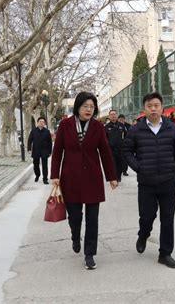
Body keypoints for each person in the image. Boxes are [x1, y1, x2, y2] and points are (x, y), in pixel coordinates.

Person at [51, 92, 118, 270]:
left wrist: (111, 176)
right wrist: (54, 175)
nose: (89, 110)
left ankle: (90, 254)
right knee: (75, 217)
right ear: (78, 107)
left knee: (92, 218)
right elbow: (57, 151)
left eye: (92, 107)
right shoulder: (65, 125)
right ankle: (75, 235)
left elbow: (105, 152)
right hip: (70, 177)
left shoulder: (97, 126)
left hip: (92, 177)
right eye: (85, 106)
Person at [123, 92, 175, 269]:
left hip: (168, 181)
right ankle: (143, 234)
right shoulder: (136, 130)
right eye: (149, 105)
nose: (153, 108)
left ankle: (165, 253)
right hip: (146, 183)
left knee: (168, 219)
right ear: (144, 108)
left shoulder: (172, 128)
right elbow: (127, 151)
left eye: (156, 105)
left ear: (162, 108)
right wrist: (139, 166)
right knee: (147, 216)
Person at [28, 117, 52, 184]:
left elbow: (49, 142)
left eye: (43, 122)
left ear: (44, 123)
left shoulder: (47, 131)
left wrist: (50, 151)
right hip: (36, 150)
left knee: (45, 165)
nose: (42, 123)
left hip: (45, 150)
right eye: (40, 121)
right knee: (36, 164)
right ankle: (37, 175)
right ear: (37, 123)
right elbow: (30, 140)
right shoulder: (33, 131)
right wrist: (29, 149)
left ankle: (45, 178)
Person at [105, 110, 126, 182]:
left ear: (117, 115)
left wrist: (124, 143)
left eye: (114, 114)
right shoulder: (106, 127)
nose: (113, 116)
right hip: (111, 149)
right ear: (109, 116)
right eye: (111, 114)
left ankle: (119, 176)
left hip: (120, 149)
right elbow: (104, 138)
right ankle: (114, 177)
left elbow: (126, 136)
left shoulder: (121, 125)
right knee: (113, 164)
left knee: (120, 163)